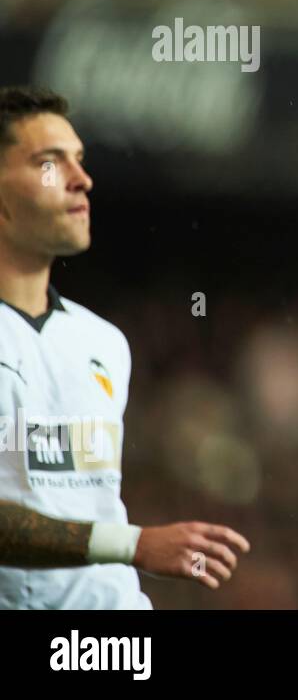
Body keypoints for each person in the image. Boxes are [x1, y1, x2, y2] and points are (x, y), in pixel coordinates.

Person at [0, 86, 249, 608]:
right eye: (49, 162)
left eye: (80, 160)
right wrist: (133, 543)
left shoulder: (103, 343)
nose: (81, 178)